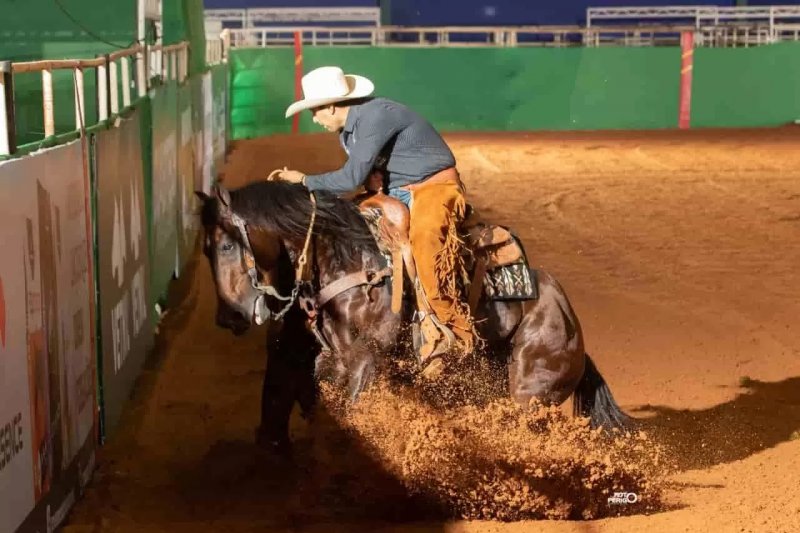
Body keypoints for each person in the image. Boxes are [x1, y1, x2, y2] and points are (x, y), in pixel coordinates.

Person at [273, 66, 475, 377]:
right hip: (396, 191)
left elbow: (349, 178)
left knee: (425, 243)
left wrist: (304, 180)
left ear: (330, 105)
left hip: (434, 187)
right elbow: (362, 175)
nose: (315, 118)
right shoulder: (350, 132)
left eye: (315, 111)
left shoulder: (374, 116)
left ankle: (454, 335)